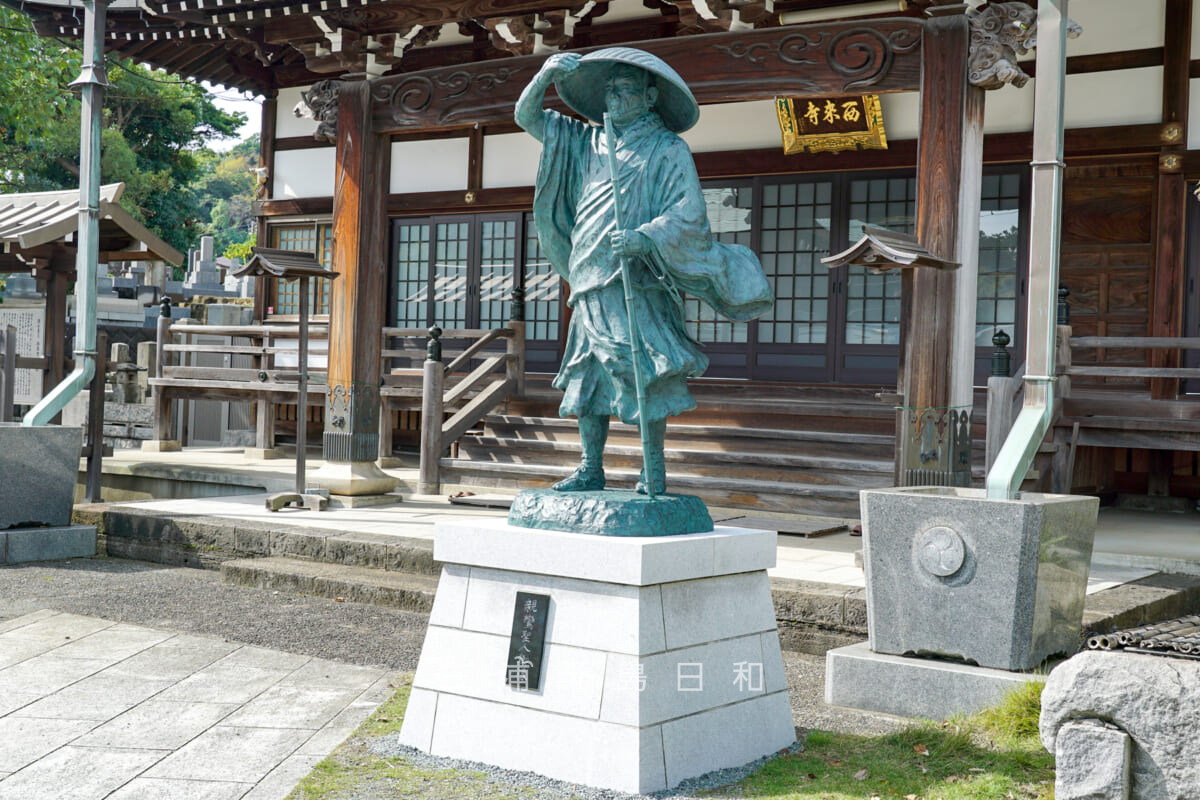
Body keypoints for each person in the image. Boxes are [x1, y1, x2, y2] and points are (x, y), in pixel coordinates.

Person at [515, 47, 772, 495]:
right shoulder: (588, 141)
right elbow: (527, 118)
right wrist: (543, 75)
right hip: (589, 278)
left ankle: (652, 469)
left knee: (643, 373)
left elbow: (689, 211)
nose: (615, 98)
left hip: (638, 279)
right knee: (587, 377)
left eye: (626, 90)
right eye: (610, 90)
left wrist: (646, 237)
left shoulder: (668, 148)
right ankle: (590, 466)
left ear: (651, 96)